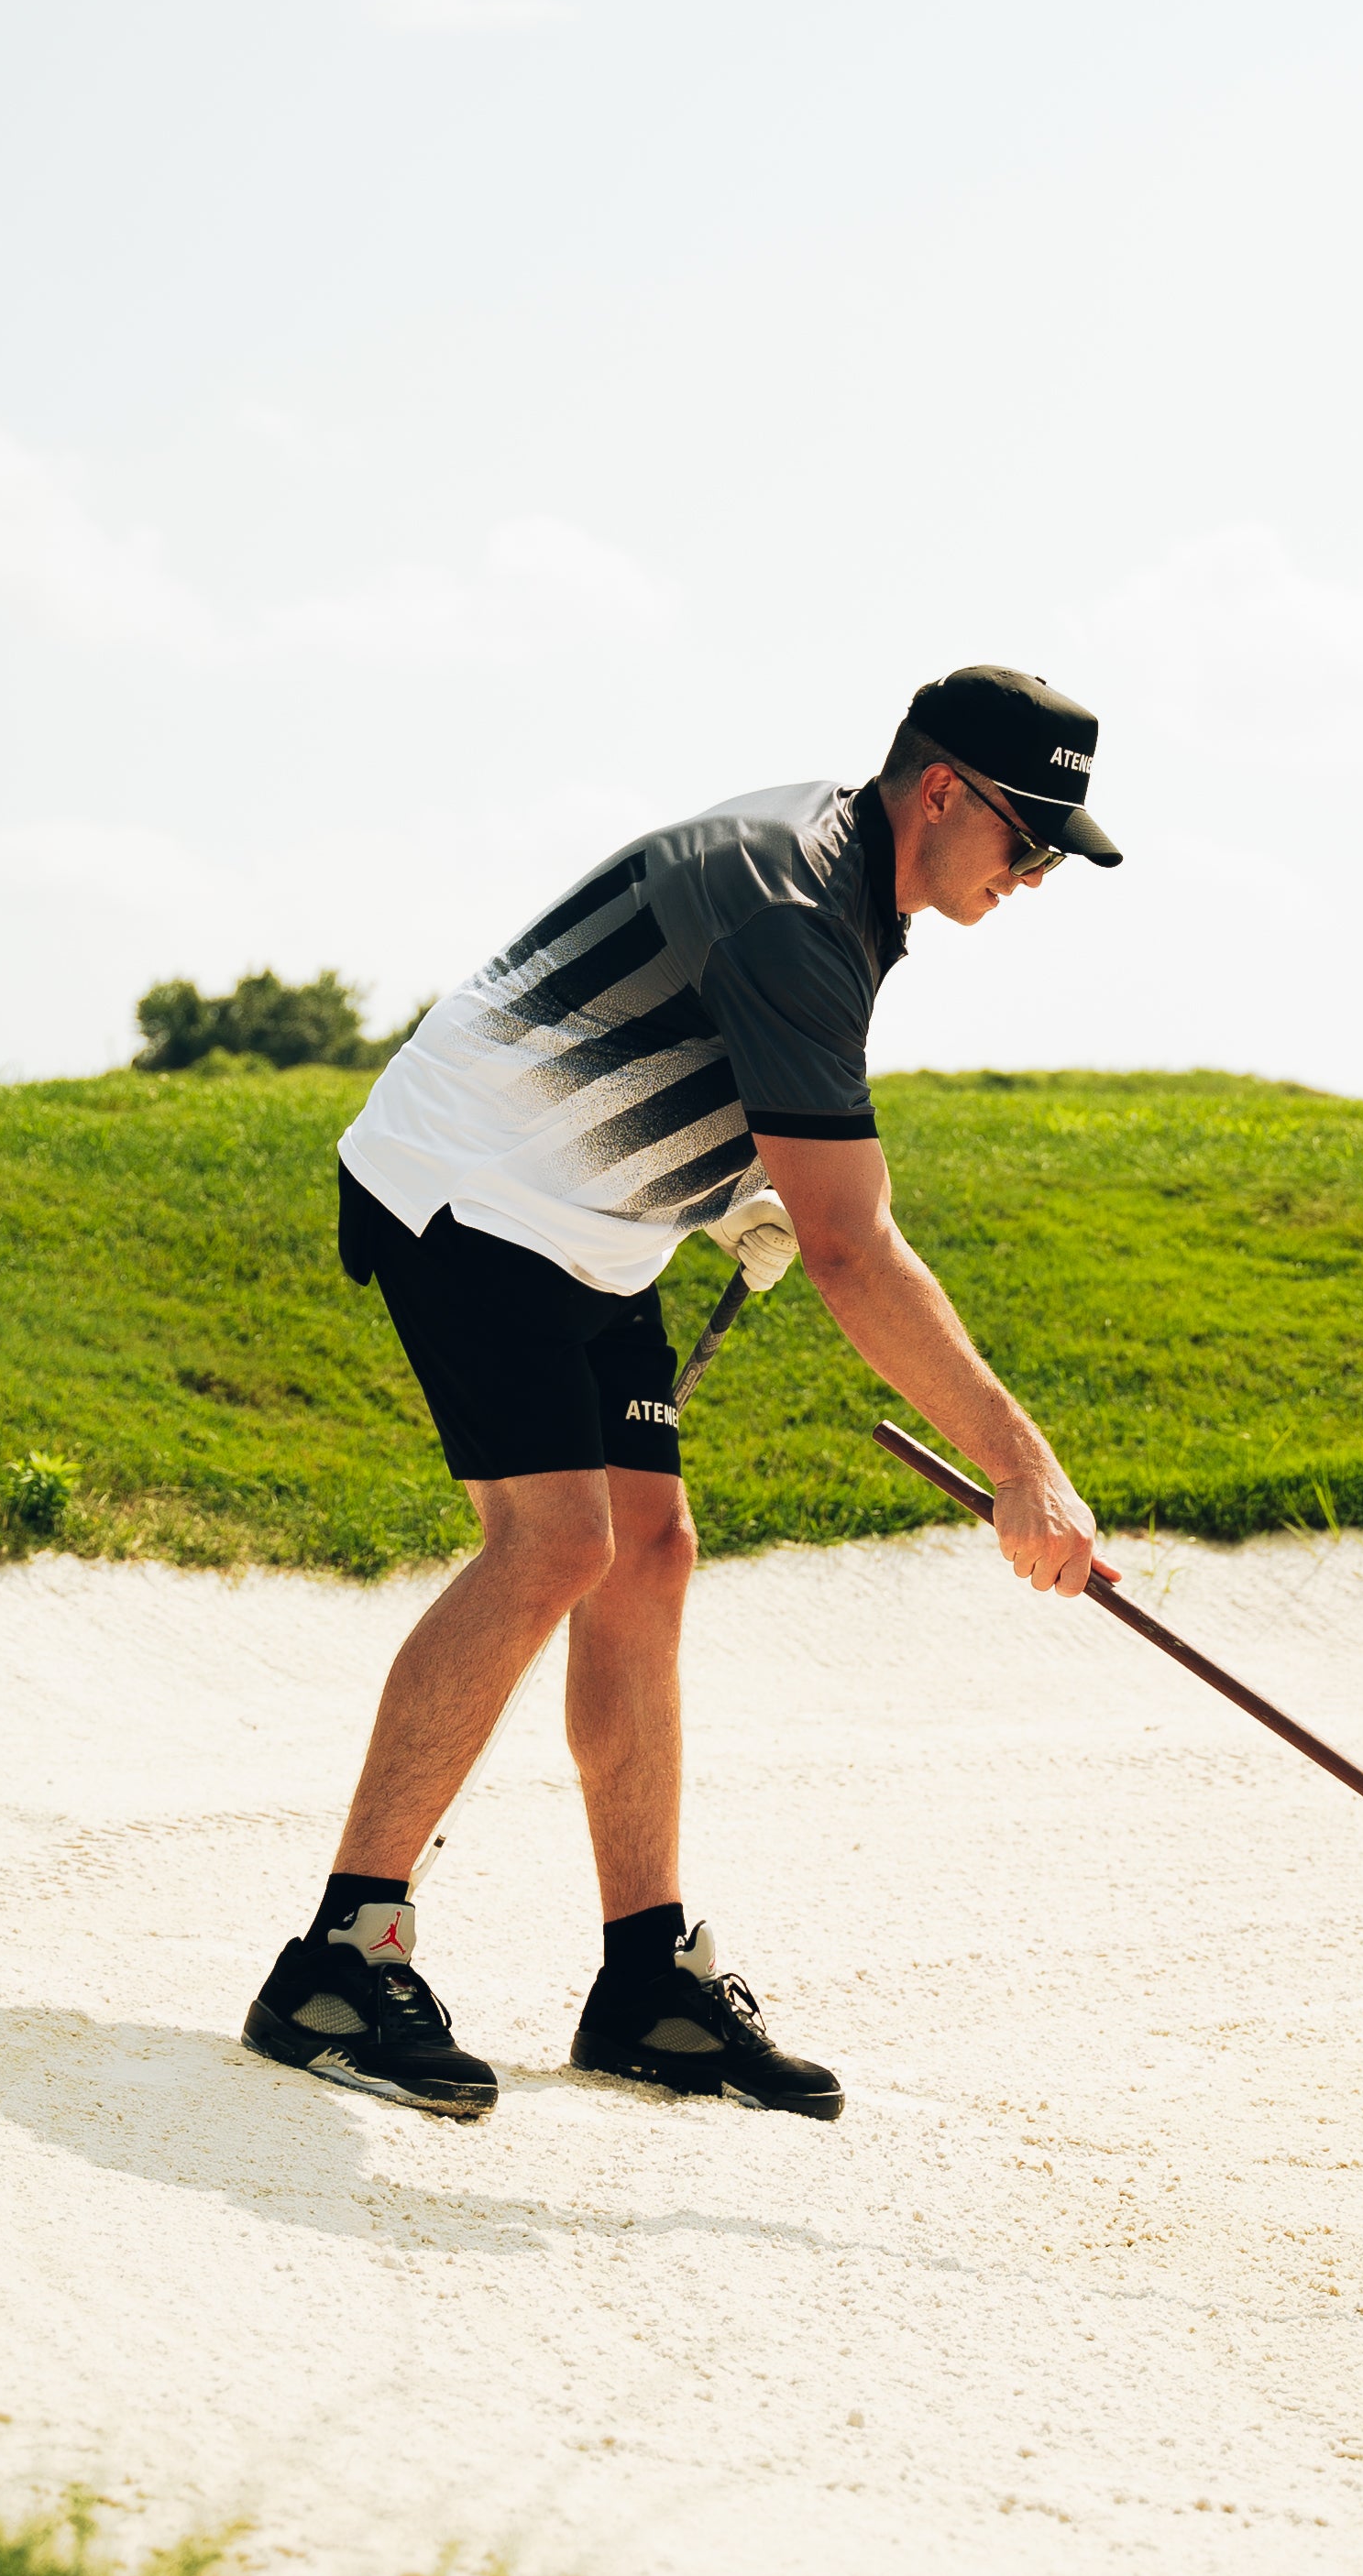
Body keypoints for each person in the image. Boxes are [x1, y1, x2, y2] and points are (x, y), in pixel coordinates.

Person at [241, 663, 1121, 2130]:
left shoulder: (852, 886)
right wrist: (1020, 1466)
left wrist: (737, 1186)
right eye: (1030, 837)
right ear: (945, 791)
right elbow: (849, 1243)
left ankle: (643, 1977)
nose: (1036, 874)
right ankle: (339, 1958)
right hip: (468, 1187)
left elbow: (741, 1091)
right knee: (555, 1542)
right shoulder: (797, 904)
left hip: (594, 1227)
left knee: (650, 1551)